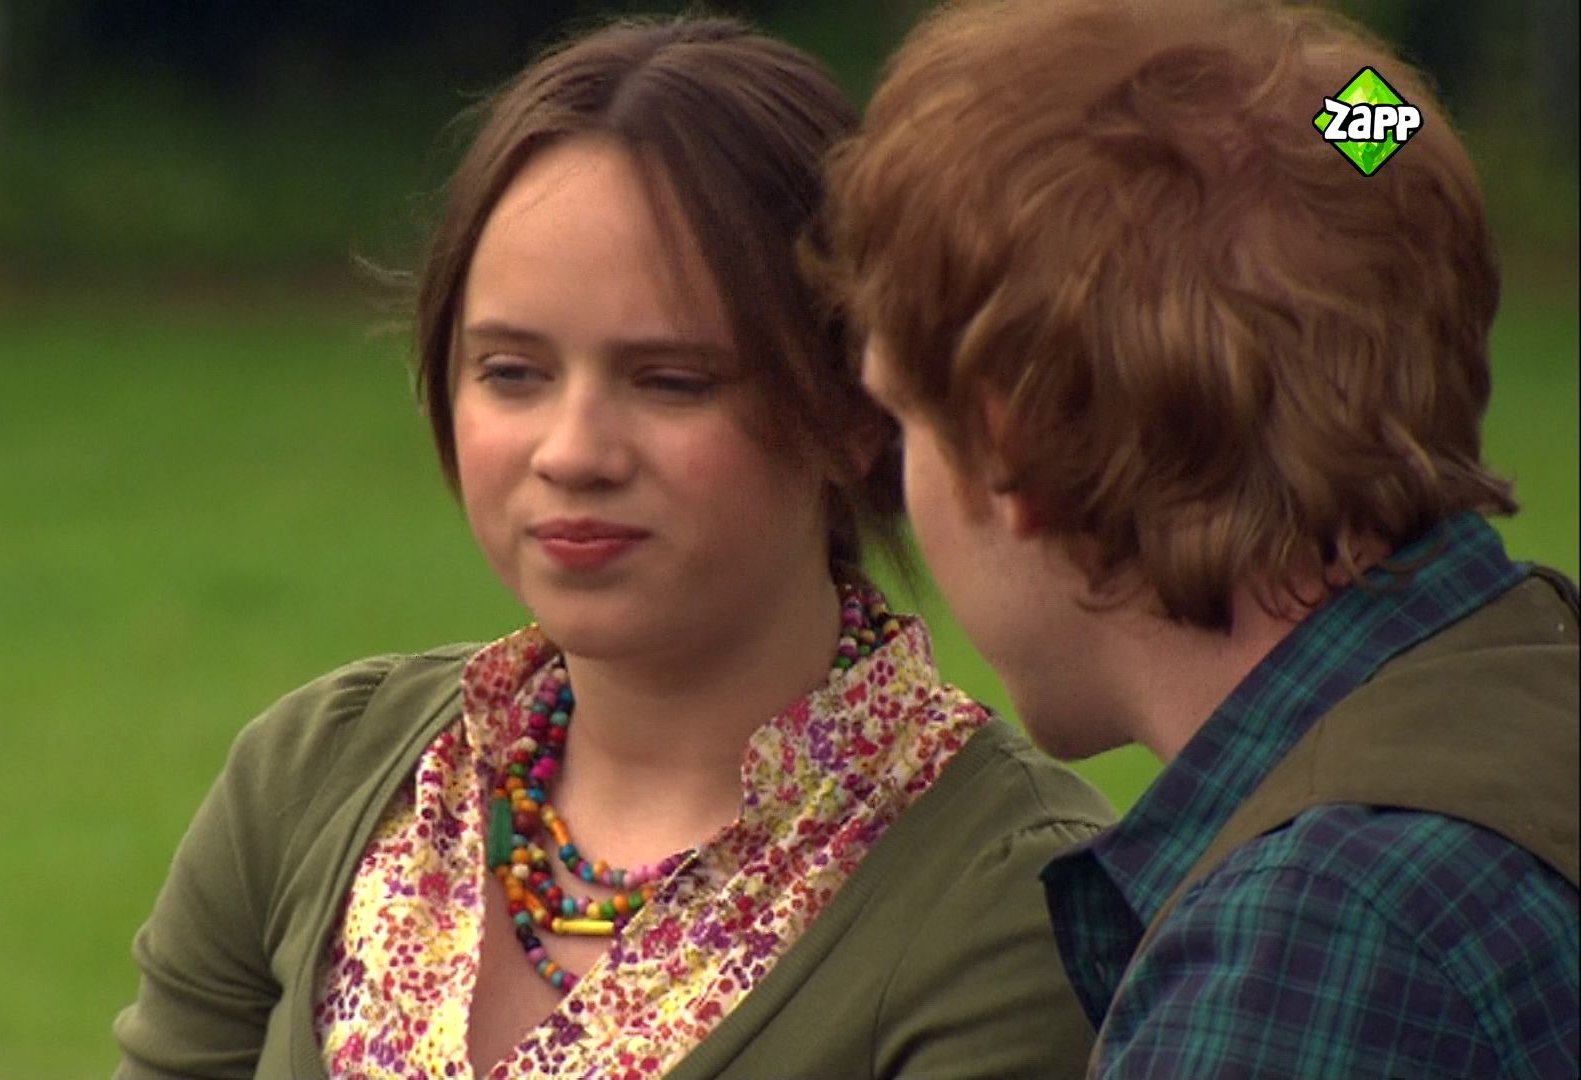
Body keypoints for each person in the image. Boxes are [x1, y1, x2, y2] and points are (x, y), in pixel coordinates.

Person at [113, 16, 1116, 1080]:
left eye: (671, 381)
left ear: (855, 408)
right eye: (512, 373)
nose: (574, 452)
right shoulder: (317, 773)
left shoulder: (1009, 898)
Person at [819, 0, 1580, 1076]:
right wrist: (1324, 94)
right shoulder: (1528, 684)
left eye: (905, 421)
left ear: (1011, 449)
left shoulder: (1306, 960)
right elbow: (1397, 133)